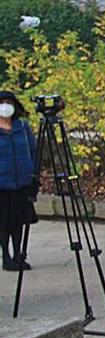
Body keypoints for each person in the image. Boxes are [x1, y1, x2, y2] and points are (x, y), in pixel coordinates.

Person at [0, 91, 37, 271]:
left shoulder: (22, 127)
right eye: (2, 102)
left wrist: (33, 176)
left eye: (9, 102)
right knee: (4, 222)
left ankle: (19, 254)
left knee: (19, 221)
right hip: (2, 184)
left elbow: (33, 150)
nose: (5, 106)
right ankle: (6, 257)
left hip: (21, 182)